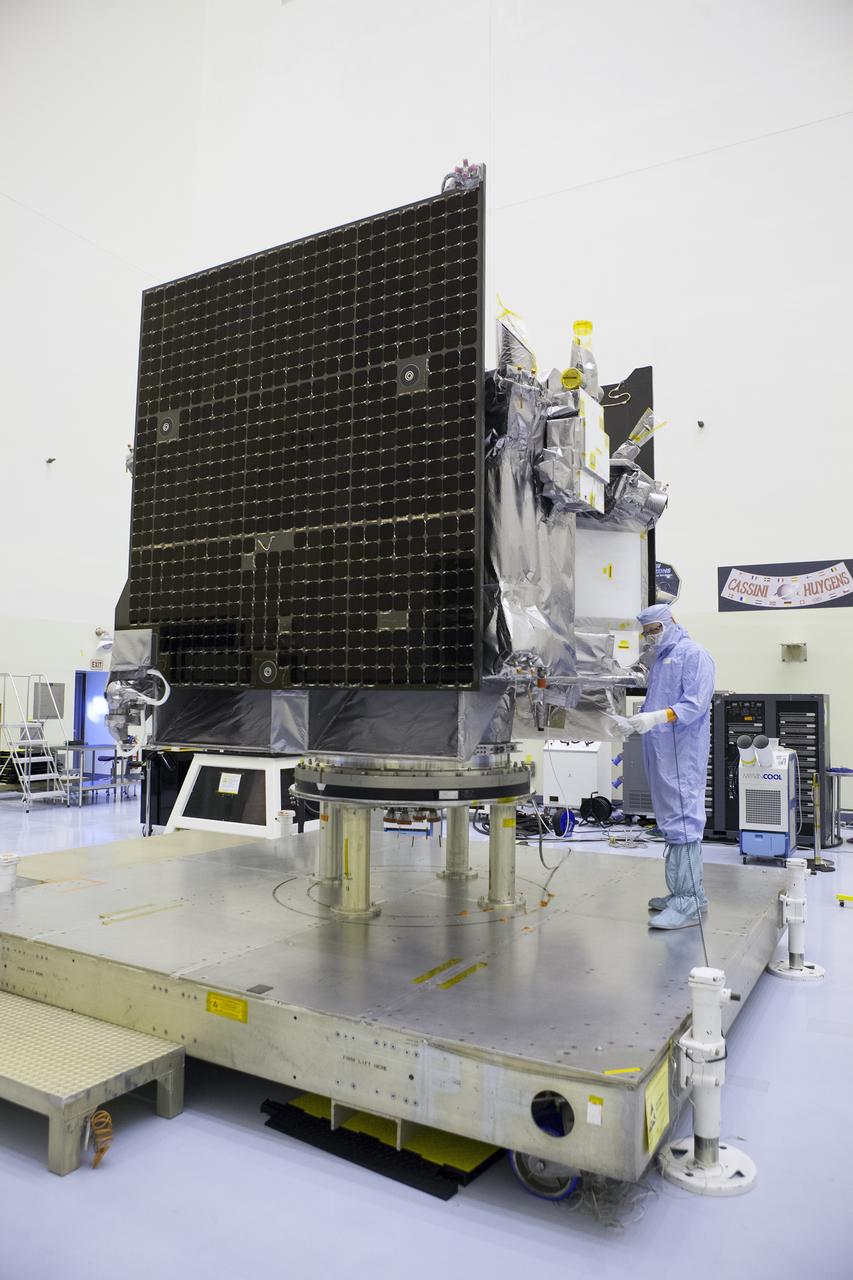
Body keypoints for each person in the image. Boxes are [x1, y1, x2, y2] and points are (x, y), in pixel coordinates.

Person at [626, 604, 715, 930]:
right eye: (647, 632)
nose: (651, 637)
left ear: (671, 622)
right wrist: (635, 722)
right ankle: (687, 893)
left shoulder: (695, 654)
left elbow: (694, 704)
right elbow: (657, 703)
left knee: (684, 821)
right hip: (661, 752)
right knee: (670, 819)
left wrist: (655, 718)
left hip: (682, 753)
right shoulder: (661, 661)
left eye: (655, 630)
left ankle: (688, 900)